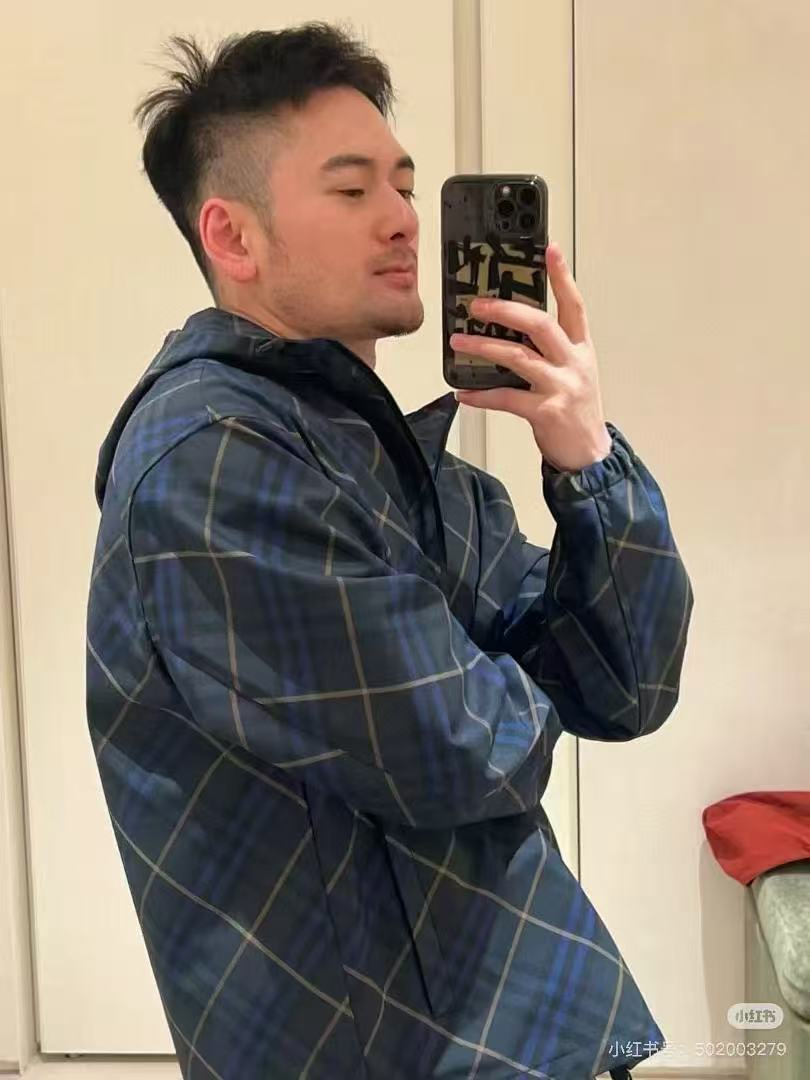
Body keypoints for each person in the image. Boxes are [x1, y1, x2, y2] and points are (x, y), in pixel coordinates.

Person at [86, 22, 693, 1080]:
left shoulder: (403, 468)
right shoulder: (213, 460)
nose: (404, 217)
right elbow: (464, 747)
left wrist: (586, 454)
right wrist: (498, 677)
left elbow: (627, 686)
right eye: (352, 187)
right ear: (233, 237)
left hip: (519, 1029)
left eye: (407, 185)